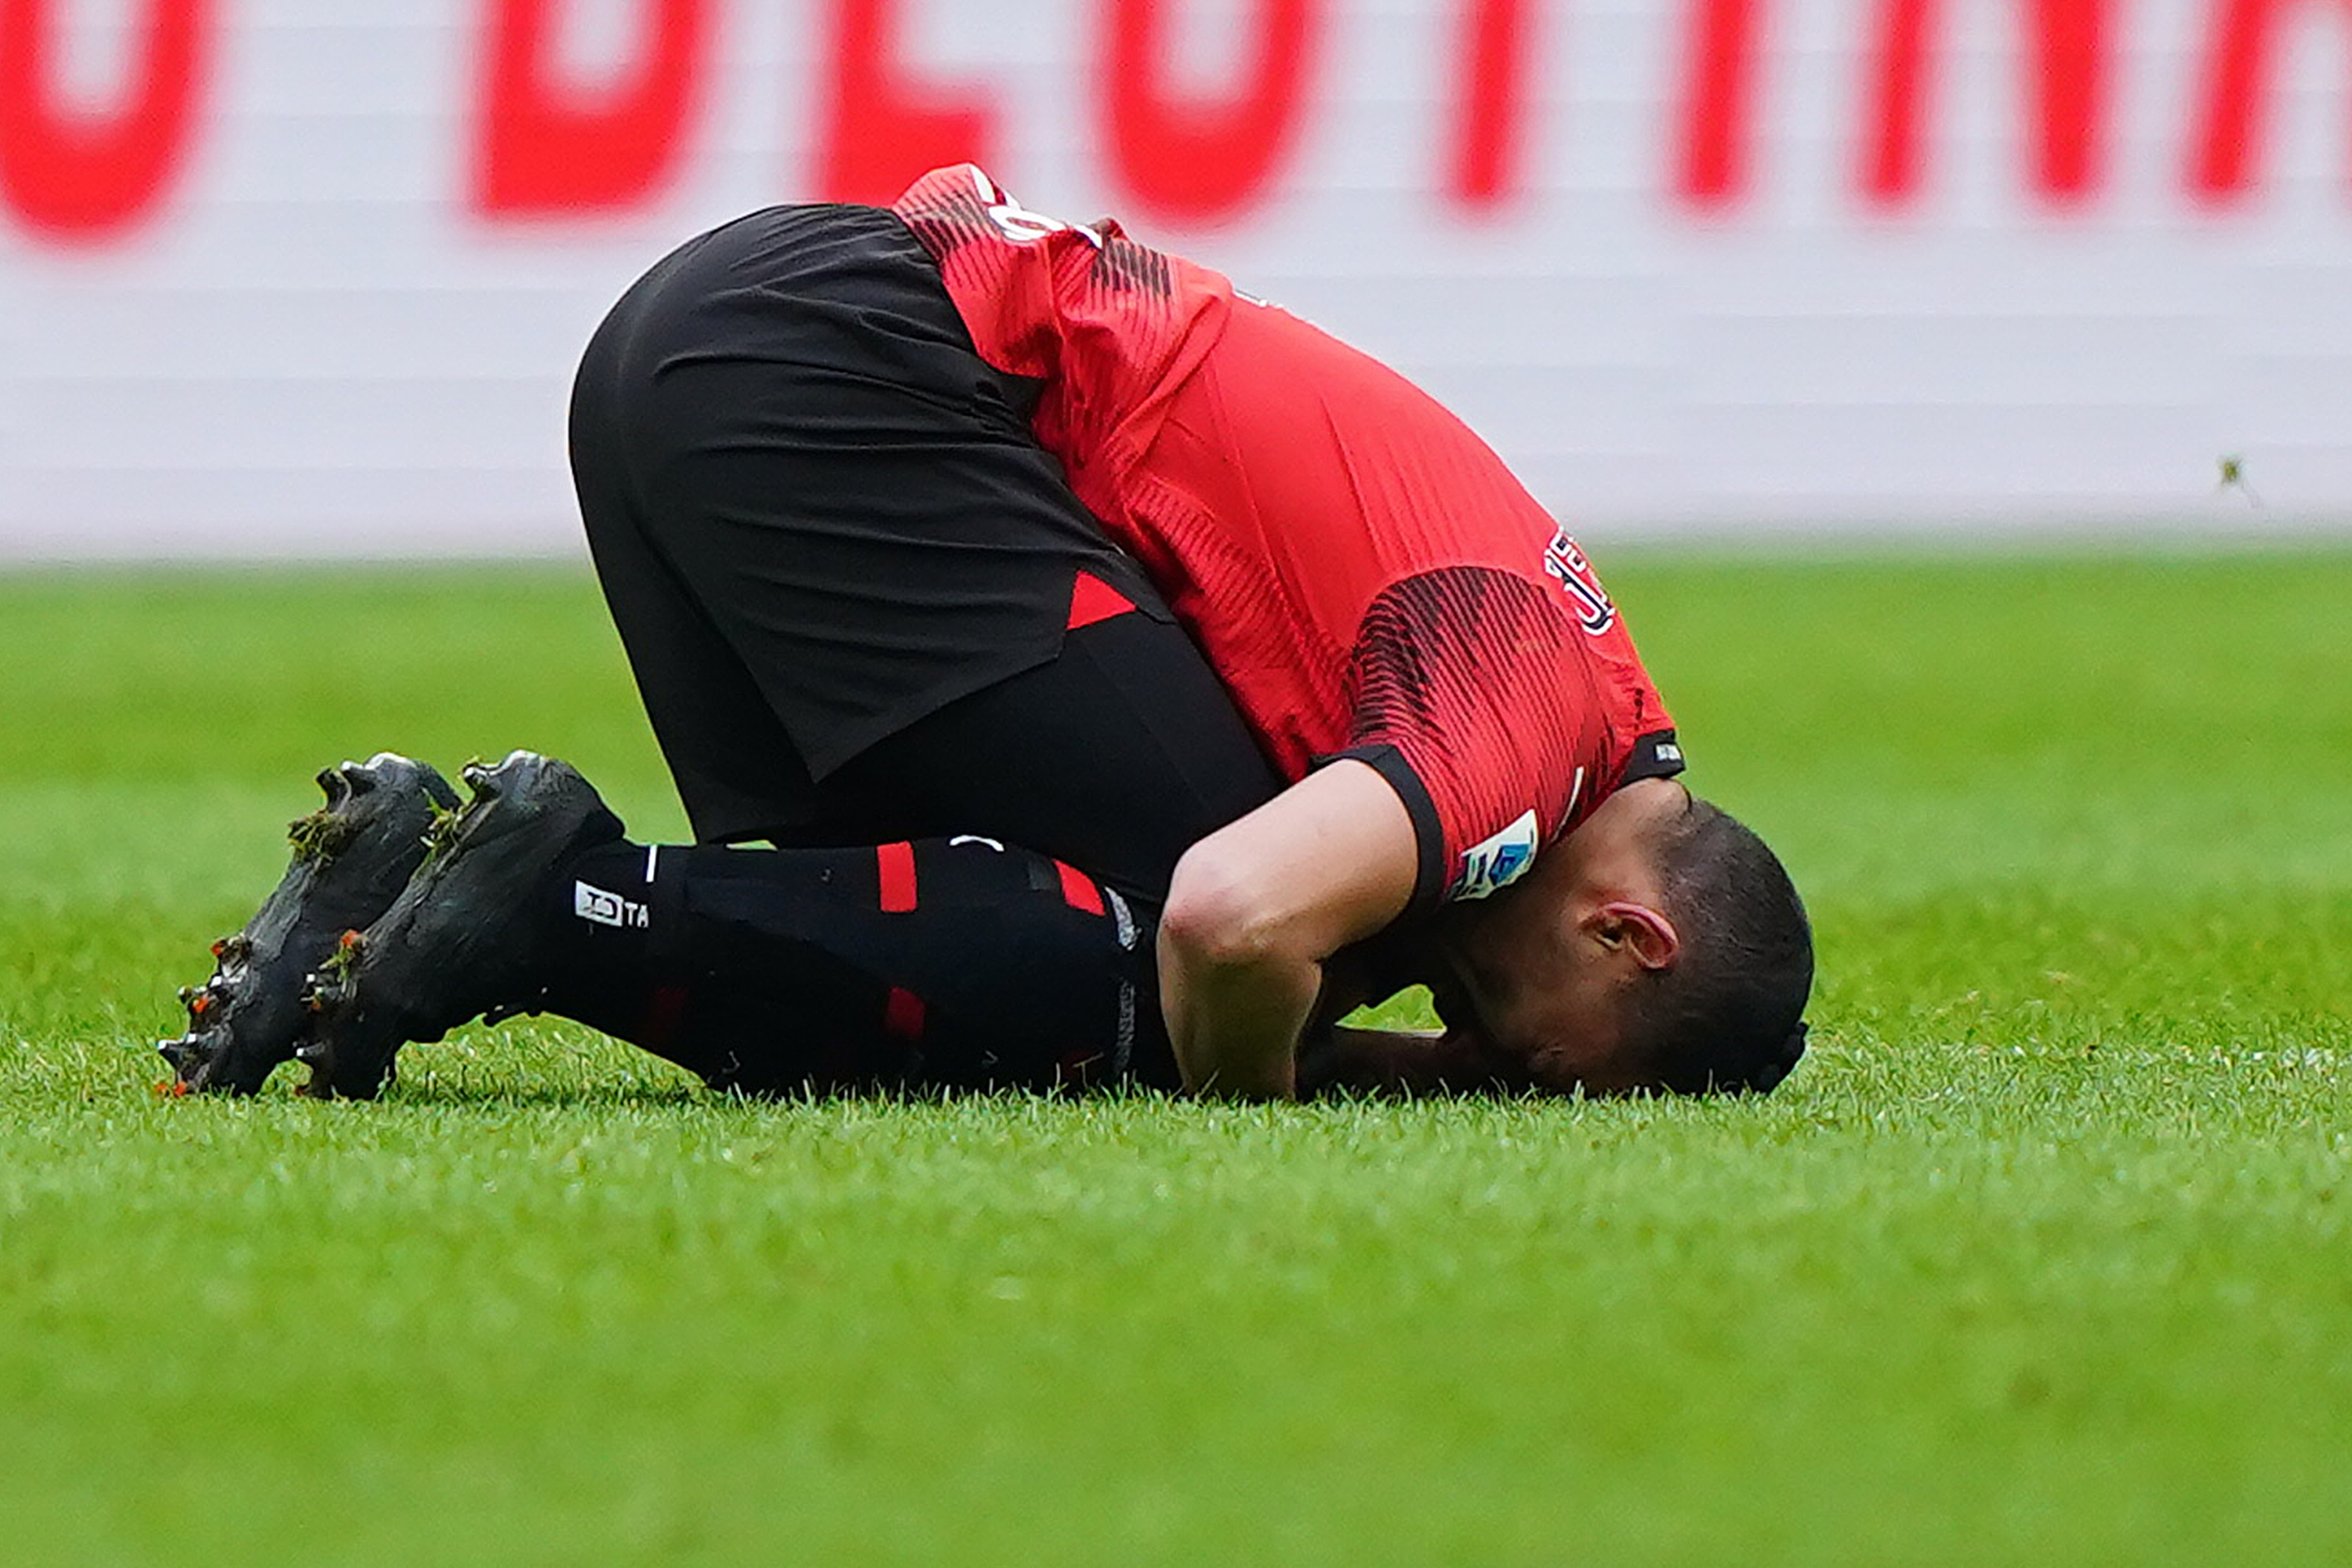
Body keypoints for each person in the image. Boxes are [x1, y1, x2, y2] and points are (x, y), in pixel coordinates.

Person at [163, 166, 1812, 1101]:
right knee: (1174, 948)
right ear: (1628, 938)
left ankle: (480, 898)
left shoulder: (1565, 695)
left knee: (892, 989)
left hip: (705, 346)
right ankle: (559, 895)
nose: (1469, 1044)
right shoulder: (1524, 717)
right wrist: (1265, 1104)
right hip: (828, 365)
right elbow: (1233, 926)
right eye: (1519, 1048)